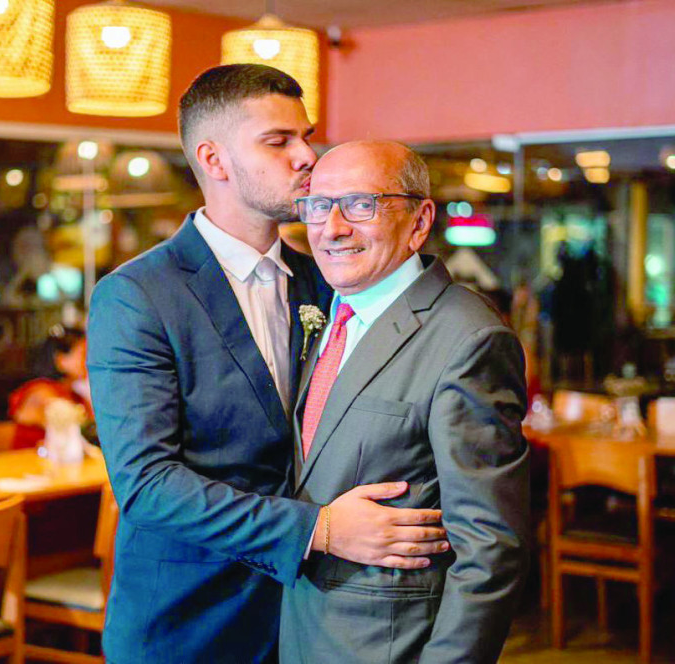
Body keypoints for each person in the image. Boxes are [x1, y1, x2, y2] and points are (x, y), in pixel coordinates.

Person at [87, 66, 449, 664]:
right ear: (215, 159)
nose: (308, 156)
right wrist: (320, 530)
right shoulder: (138, 294)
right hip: (188, 623)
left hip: (311, 620)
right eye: (279, 142)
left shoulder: (322, 282)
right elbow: (146, 486)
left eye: (306, 136)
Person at [280, 140, 530, 664]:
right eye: (318, 205)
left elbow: (490, 549)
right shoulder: (324, 315)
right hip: (301, 631)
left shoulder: (468, 337)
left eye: (362, 205)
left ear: (419, 221)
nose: (333, 227)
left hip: (392, 646)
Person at [8, 325, 92, 449]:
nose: (90, 361)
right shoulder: (41, 392)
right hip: (28, 465)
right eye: (84, 354)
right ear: (60, 359)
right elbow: (67, 419)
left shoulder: (75, 395)